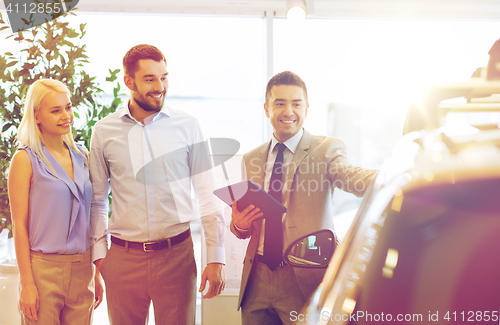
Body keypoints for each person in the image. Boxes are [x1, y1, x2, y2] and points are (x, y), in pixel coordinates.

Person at [89, 44, 226, 325]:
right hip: (124, 258)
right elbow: (97, 201)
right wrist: (100, 257)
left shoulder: (188, 126)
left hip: (177, 257)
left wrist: (215, 257)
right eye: (150, 79)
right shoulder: (104, 131)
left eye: (164, 77)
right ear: (129, 81)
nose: (160, 86)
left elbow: (207, 196)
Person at [230, 71, 377, 324]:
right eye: (280, 103)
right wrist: (239, 225)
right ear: (267, 109)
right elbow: (248, 225)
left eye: (296, 104)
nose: (289, 111)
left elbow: (350, 176)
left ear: (306, 109)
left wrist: (395, 175)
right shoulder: (251, 158)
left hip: (304, 278)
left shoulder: (326, 149)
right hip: (257, 279)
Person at [8, 79, 103, 324]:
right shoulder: (25, 159)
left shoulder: (82, 154)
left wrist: (97, 273)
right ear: (36, 115)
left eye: (68, 107)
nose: (66, 116)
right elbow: (20, 227)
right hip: (42, 271)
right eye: (56, 110)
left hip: (83, 268)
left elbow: (91, 216)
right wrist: (27, 284)